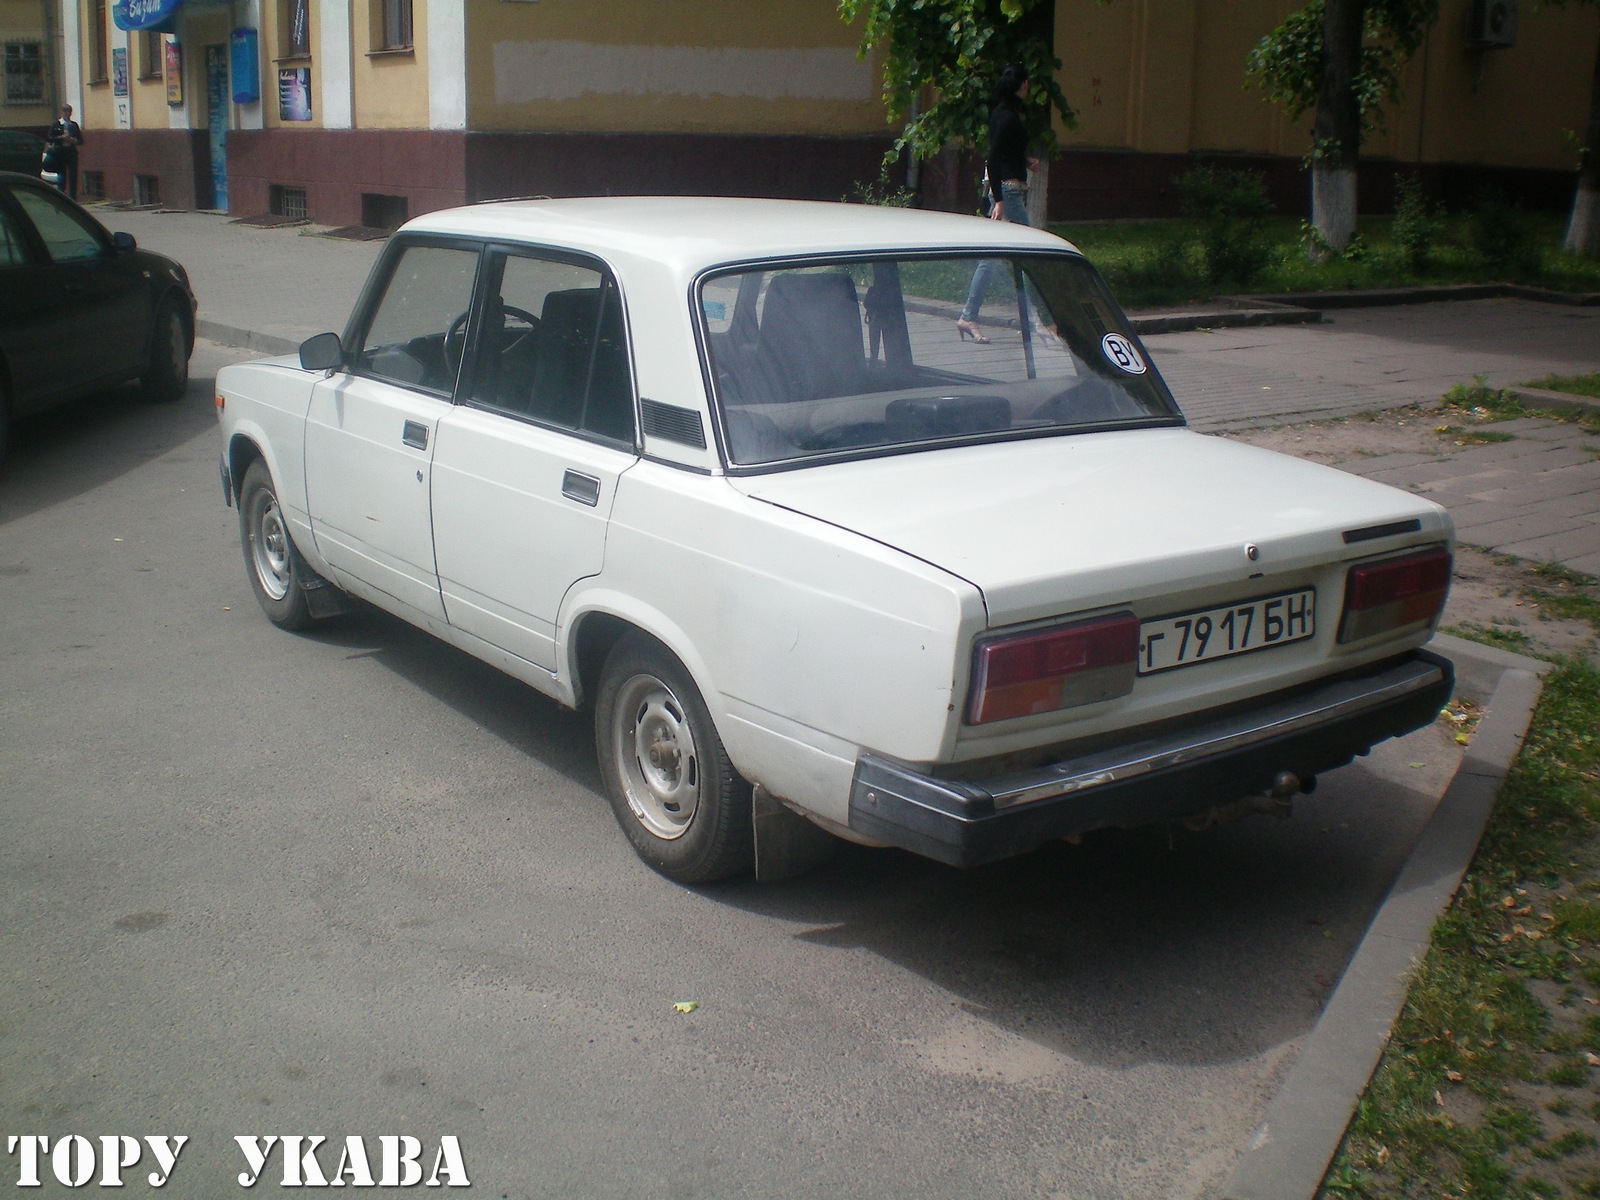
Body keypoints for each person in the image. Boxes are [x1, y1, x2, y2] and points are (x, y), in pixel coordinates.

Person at [956, 64, 1039, 344]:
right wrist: (1000, 201)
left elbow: (1005, 151)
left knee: (990, 258)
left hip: (1005, 189)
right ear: (1023, 86)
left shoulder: (1002, 113)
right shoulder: (1009, 117)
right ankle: (1041, 322)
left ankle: (968, 316)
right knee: (1031, 255)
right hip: (1008, 192)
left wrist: (1025, 161)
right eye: (1027, 84)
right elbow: (992, 158)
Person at [46, 104, 84, 200]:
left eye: (68, 111)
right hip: (60, 152)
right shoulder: (56, 124)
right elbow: (49, 138)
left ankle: (73, 198)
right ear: (61, 112)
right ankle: (61, 196)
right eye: (64, 111)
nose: (66, 113)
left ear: (71, 113)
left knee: (73, 175)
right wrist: (60, 138)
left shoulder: (73, 125)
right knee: (62, 175)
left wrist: (74, 141)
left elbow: (80, 140)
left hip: (71, 152)